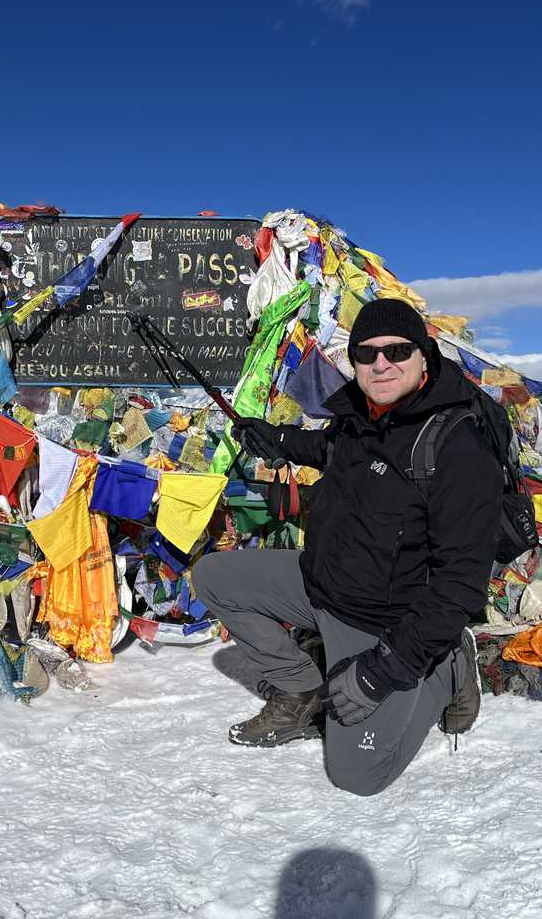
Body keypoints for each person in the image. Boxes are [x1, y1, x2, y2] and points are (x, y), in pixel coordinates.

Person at [193, 298, 502, 796]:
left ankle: (446, 667)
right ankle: (299, 687)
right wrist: (276, 439)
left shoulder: (457, 449)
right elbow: (330, 450)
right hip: (322, 581)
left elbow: (459, 586)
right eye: (367, 353)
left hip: (383, 621)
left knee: (357, 776)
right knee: (214, 578)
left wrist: (384, 672)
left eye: (398, 350)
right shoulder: (360, 416)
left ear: (425, 356)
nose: (381, 363)